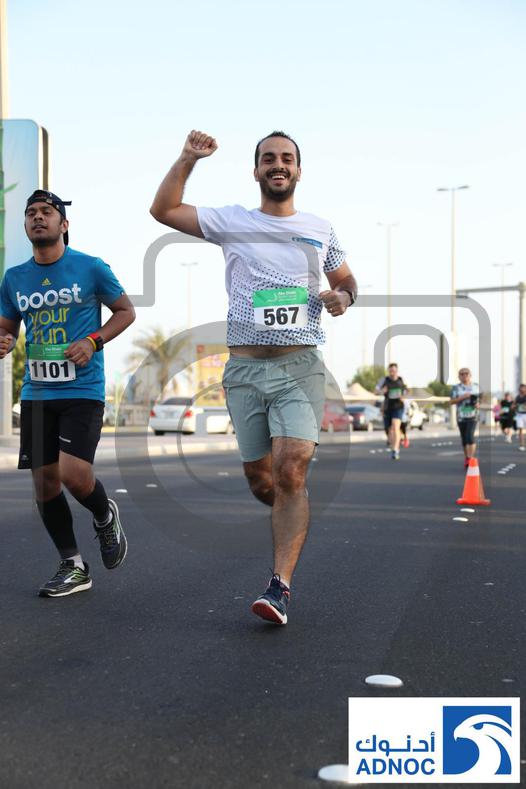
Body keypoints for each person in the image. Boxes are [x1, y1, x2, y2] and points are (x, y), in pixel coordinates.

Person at [150, 129, 357, 625]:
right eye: (268, 158)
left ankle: (279, 586)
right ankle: (291, 509)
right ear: (257, 170)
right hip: (244, 370)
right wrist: (188, 158)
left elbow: (346, 279)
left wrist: (344, 297)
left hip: (299, 365)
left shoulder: (320, 229)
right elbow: (164, 210)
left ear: (299, 171)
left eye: (286, 158)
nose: (277, 164)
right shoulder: (232, 221)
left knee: (291, 470)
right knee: (263, 480)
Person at [0, 190, 135, 597]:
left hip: (82, 388)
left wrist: (93, 341)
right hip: (38, 392)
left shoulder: (90, 267)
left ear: (64, 224)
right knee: (45, 483)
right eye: (31, 213)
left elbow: (125, 311)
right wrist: (5, 340)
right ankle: (73, 565)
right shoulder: (14, 278)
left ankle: (103, 514)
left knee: (72, 473)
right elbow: (7, 327)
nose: (38, 218)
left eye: (47, 212)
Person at [450, 367, 480, 467]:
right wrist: (463, 397)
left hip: (473, 415)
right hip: (461, 416)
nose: (464, 375)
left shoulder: (476, 387)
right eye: (462, 374)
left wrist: (478, 404)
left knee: (470, 436)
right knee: (464, 439)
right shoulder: (456, 388)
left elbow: (481, 399)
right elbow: (451, 401)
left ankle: (471, 458)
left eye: (466, 373)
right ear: (459, 376)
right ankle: (467, 457)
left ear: (470, 375)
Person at [379, 363, 407, 460]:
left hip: (398, 406)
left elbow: (408, 391)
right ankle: (394, 445)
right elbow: (375, 391)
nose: (392, 373)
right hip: (387, 407)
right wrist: (382, 391)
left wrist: (404, 397)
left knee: (395, 426)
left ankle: (395, 450)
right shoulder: (384, 380)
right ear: (388, 371)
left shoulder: (401, 380)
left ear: (397, 371)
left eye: (394, 371)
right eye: (391, 371)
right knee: (389, 430)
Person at [513, 383, 526, 452]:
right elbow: (513, 406)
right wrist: (515, 406)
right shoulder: (517, 397)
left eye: (523, 388)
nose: (521, 389)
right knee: (520, 430)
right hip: (519, 415)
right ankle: (522, 445)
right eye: (520, 388)